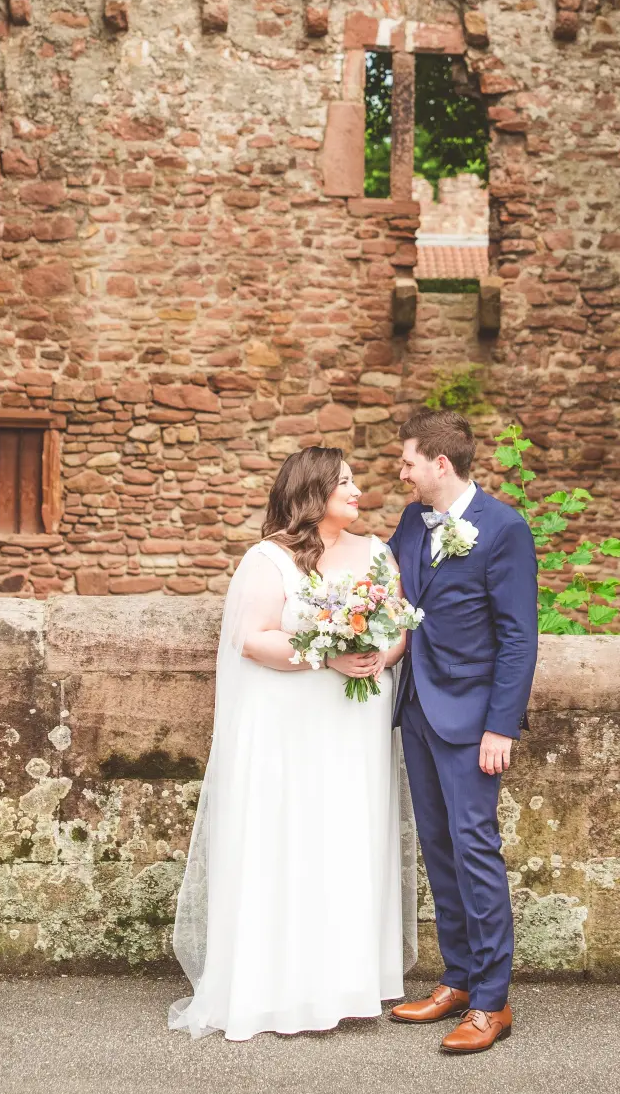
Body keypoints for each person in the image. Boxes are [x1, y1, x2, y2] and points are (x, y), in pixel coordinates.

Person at [167, 446, 417, 1040]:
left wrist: (383, 652)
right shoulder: (268, 560)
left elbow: (401, 626)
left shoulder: (377, 553)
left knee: (349, 838)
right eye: (345, 482)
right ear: (313, 492)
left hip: (355, 725)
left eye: (356, 482)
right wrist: (330, 655)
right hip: (294, 725)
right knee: (294, 838)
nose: (358, 491)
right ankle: (280, 985)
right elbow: (253, 641)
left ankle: (345, 981)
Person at [386, 407, 539, 1054]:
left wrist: (500, 727)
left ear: (439, 465)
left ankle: (492, 1002)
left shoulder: (504, 530)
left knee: (475, 848)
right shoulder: (409, 523)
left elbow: (518, 638)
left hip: (474, 721)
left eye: (408, 462)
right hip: (417, 708)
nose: (401, 473)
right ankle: (457, 977)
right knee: (439, 848)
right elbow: (387, 592)